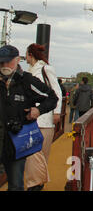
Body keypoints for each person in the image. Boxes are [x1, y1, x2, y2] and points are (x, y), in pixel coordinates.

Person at [0, 45, 57, 191]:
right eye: (1, 62)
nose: (5, 65)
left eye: (8, 61)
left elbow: (52, 97)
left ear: (18, 60)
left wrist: (38, 110)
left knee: (15, 184)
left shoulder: (26, 81)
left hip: (16, 142)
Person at [24, 43, 63, 191]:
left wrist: (57, 112)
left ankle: (36, 184)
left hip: (45, 118)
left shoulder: (46, 69)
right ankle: (35, 183)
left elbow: (56, 91)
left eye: (26, 54)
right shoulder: (31, 71)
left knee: (39, 154)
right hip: (33, 118)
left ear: (30, 55)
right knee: (34, 155)